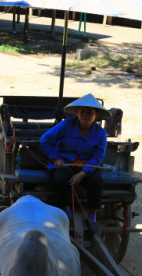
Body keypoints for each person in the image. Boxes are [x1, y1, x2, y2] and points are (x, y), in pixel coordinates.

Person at [40, 94, 109, 232]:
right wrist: (55, 158)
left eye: (90, 113)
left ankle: (92, 215)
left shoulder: (101, 133)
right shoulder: (66, 125)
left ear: (96, 115)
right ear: (78, 113)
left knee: (96, 181)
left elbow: (98, 156)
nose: (85, 115)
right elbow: (45, 139)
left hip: (87, 166)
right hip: (64, 164)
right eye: (82, 112)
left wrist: (83, 173)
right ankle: (65, 210)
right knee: (60, 179)